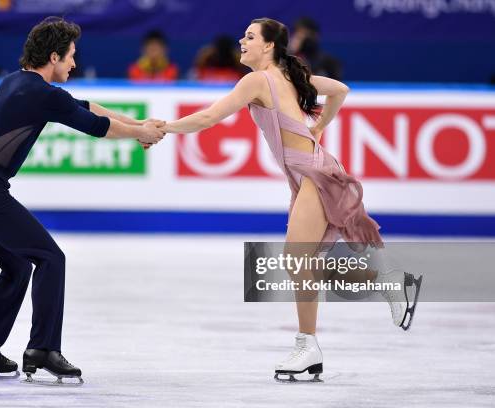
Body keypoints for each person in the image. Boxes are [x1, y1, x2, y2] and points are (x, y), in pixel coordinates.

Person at [162, 18, 421, 382]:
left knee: (296, 258)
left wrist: (164, 128)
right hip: (308, 175)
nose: (242, 40)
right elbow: (341, 90)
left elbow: (209, 117)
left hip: (314, 175)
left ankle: (309, 344)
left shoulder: (256, 80)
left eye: (250, 37)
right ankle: (386, 284)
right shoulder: (288, 77)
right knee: (305, 263)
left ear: (268, 46)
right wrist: (319, 127)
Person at [0, 16, 165, 385]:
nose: (74, 64)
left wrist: (138, 124)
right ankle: (44, 348)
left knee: (17, 266)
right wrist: (137, 132)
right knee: (50, 257)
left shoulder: (19, 82)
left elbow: (86, 106)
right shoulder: (39, 93)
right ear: (53, 56)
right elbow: (96, 126)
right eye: (70, 57)